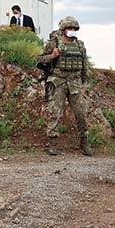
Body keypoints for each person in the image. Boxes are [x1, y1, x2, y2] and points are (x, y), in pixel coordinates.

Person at [36, 16, 91, 156]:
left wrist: (84, 83)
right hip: (58, 81)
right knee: (55, 113)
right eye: (69, 28)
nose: (72, 31)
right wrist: (52, 56)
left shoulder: (80, 45)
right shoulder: (53, 43)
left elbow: (84, 65)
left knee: (81, 113)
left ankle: (84, 142)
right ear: (64, 29)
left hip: (75, 83)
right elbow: (40, 60)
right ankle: (52, 143)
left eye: (74, 28)